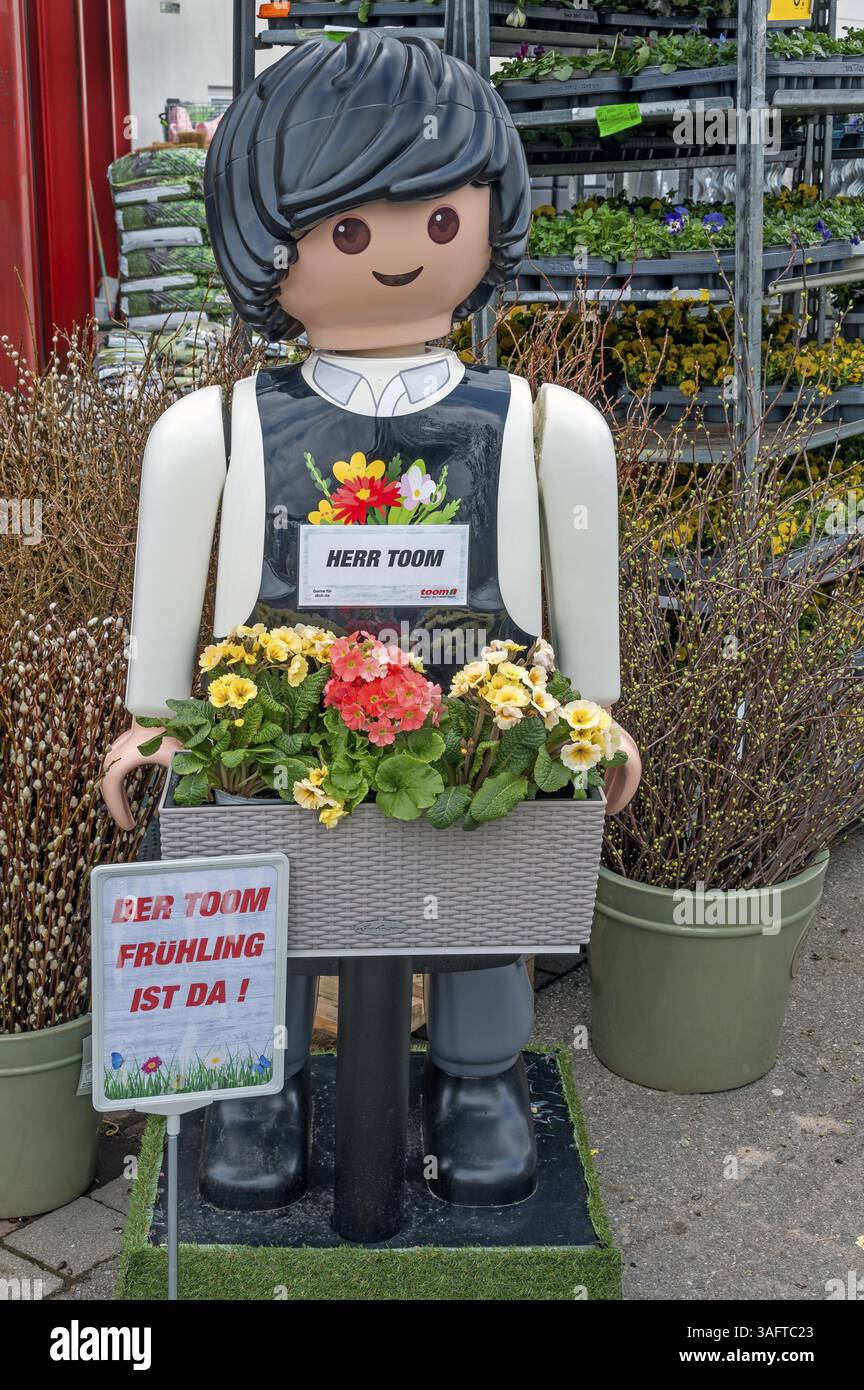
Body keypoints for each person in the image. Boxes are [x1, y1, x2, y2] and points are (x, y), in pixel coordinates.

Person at [102, 30, 640, 1212]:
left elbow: (581, 607)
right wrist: (152, 718)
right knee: (260, 878)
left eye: (441, 218)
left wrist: (592, 712)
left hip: (478, 714)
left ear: (490, 216)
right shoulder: (219, 432)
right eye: (348, 229)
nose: (397, 253)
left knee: (488, 877)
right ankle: (261, 1080)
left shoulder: (544, 429)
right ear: (268, 240)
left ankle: (479, 1077)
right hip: (271, 729)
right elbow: (166, 605)